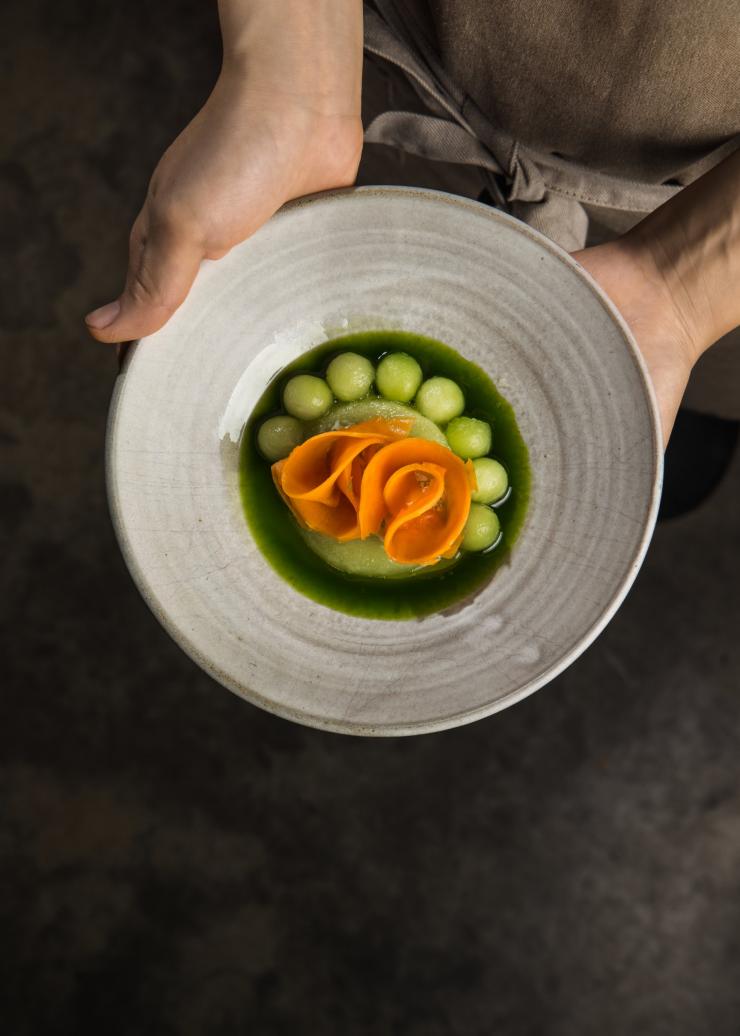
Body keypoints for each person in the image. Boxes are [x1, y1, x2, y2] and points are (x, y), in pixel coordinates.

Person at [85, 0, 740, 451]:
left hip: (708, 206)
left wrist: (684, 287)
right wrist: (295, 69)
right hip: (385, 89)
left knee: (639, 412)